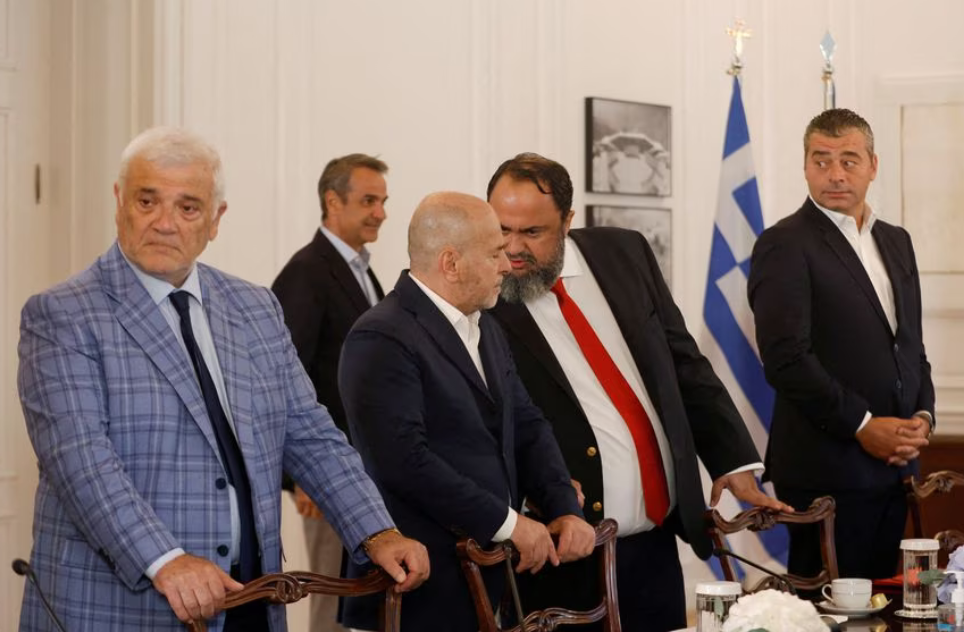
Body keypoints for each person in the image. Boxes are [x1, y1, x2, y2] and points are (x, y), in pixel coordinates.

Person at [16, 127, 428, 632]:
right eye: (147, 201)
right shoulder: (62, 315)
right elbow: (82, 463)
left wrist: (376, 531)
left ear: (216, 219)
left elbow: (310, 433)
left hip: (253, 599)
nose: (164, 222)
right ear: (120, 202)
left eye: (188, 207)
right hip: (124, 608)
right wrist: (165, 559)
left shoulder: (254, 307)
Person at [486, 153, 790, 632]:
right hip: (563, 551)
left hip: (655, 541)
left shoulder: (624, 252)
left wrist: (732, 460)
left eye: (532, 232)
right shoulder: (482, 295)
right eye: (502, 229)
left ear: (567, 221)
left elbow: (682, 362)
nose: (512, 248)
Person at [339, 191, 596, 632]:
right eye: (495, 253)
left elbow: (527, 423)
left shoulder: (486, 326)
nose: (507, 264)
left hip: (487, 580)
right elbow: (406, 463)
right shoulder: (381, 336)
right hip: (417, 594)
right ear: (451, 263)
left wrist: (563, 507)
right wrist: (510, 525)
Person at [748, 108, 933, 580]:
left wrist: (922, 416)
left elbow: (910, 346)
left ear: (873, 165)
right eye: (821, 160)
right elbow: (786, 359)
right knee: (829, 611)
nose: (835, 174)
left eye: (848, 160)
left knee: (884, 605)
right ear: (805, 166)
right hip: (826, 470)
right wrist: (864, 425)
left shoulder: (896, 241)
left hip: (897, 466)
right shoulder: (784, 243)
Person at [271, 153, 388, 632]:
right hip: (324, 477)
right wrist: (300, 475)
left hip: (361, 471)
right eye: (369, 201)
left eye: (383, 201)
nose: (380, 212)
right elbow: (281, 376)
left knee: (356, 605)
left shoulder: (362, 270)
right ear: (332, 201)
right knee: (329, 602)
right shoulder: (307, 271)